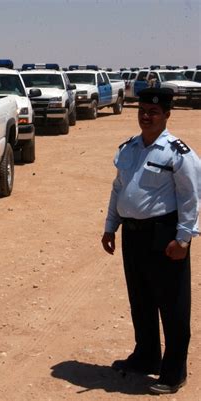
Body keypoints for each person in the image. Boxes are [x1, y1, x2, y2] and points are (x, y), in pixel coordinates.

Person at [101, 87, 200, 395]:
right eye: (142, 111)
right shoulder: (129, 148)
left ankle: (173, 372)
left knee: (172, 305)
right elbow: (119, 188)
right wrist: (110, 226)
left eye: (154, 112)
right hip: (133, 234)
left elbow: (191, 198)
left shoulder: (177, 153)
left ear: (167, 115)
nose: (146, 116)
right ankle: (146, 357)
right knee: (140, 301)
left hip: (164, 234)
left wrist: (183, 239)